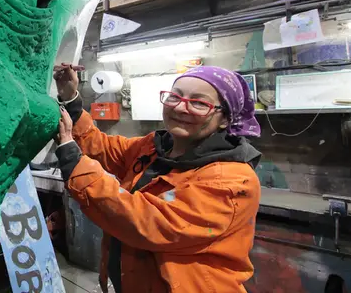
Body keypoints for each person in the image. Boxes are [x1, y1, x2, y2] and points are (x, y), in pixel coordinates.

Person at [54, 64, 263, 293]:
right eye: (174, 97)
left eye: (199, 103)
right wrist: (71, 98)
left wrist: (73, 161)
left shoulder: (232, 180)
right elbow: (103, 147)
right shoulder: (154, 148)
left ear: (225, 119)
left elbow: (146, 222)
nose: (181, 108)